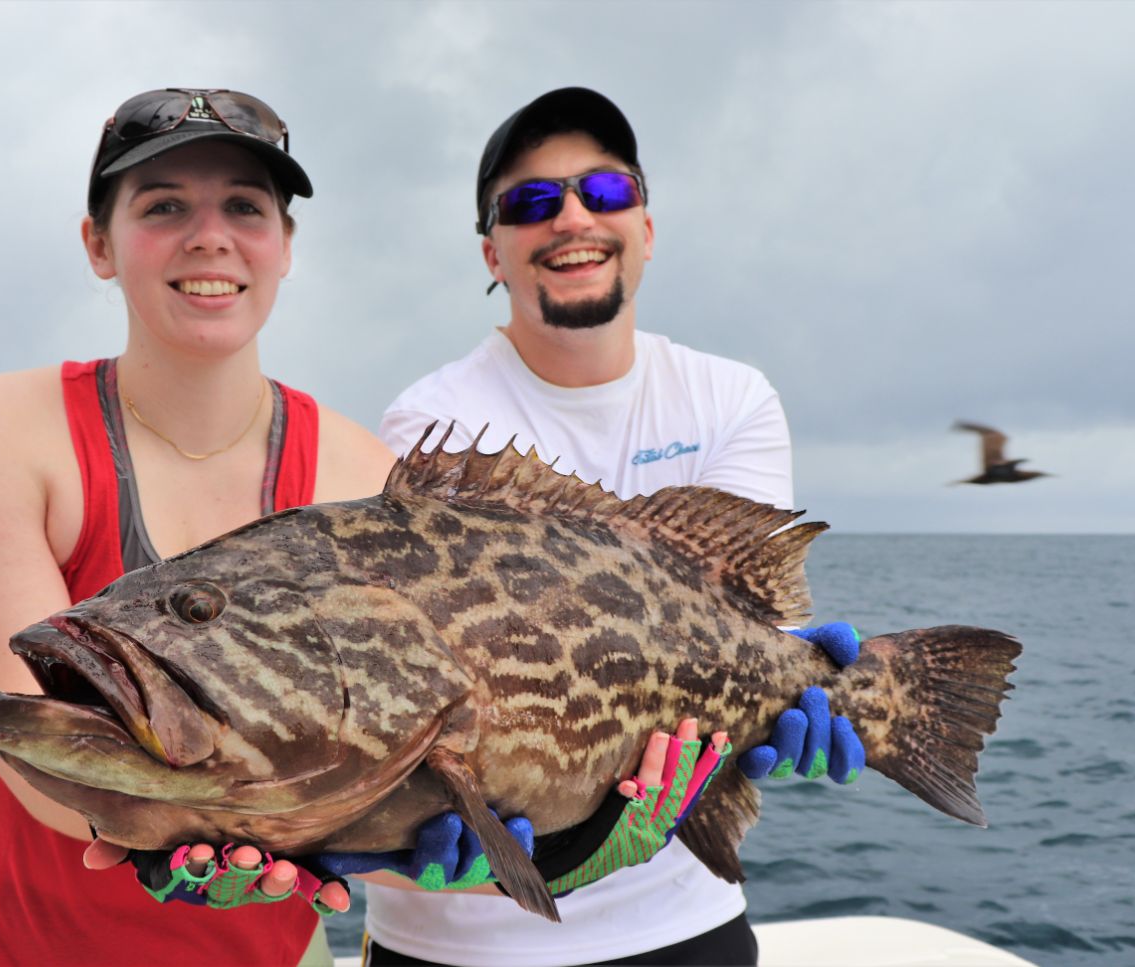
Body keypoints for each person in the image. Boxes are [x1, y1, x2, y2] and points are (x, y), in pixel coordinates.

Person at [0, 87, 393, 967]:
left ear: (286, 246)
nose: (209, 234)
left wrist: (515, 843)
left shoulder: (363, 478)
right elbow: (50, 761)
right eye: (164, 206)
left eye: (245, 206)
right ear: (99, 245)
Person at [369, 87, 864, 967]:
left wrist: (796, 673)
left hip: (679, 917)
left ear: (645, 224)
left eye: (604, 192)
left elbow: (760, 617)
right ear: (493, 251)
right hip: (461, 939)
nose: (570, 218)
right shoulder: (433, 421)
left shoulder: (730, 397)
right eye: (530, 201)